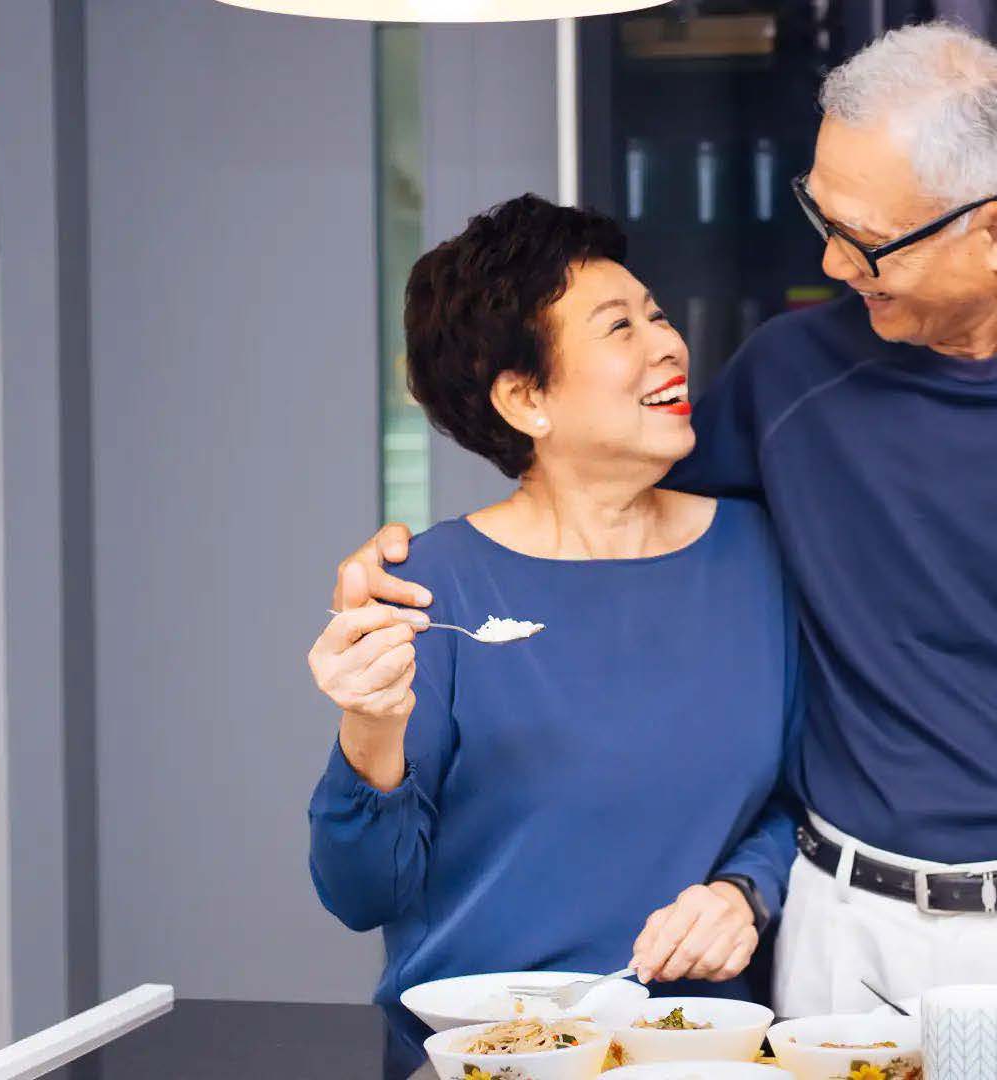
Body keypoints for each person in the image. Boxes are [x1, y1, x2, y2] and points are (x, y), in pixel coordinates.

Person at [337, 22, 997, 1034]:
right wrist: (418, 580)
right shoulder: (788, 373)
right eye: (823, 218)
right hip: (836, 933)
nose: (830, 266)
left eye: (866, 242)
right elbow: (600, 507)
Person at [305, 194, 799, 1078]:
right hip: (489, 1062)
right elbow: (361, 892)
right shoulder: (429, 587)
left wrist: (743, 892)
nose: (667, 344)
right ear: (526, 397)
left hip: (702, 1054)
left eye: (656, 314)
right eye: (619, 328)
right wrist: (369, 725)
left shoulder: (757, 555)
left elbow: (796, 800)